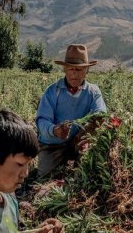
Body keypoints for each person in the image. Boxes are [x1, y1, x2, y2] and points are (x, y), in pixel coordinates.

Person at [34, 44, 107, 178]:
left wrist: (89, 132)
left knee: (87, 174)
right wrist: (55, 130)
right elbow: (42, 121)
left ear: (86, 71)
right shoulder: (52, 91)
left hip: (79, 141)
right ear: (64, 69)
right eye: (71, 69)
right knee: (45, 175)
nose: (74, 73)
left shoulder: (93, 92)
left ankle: (81, 166)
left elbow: (100, 114)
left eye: (79, 70)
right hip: (53, 144)